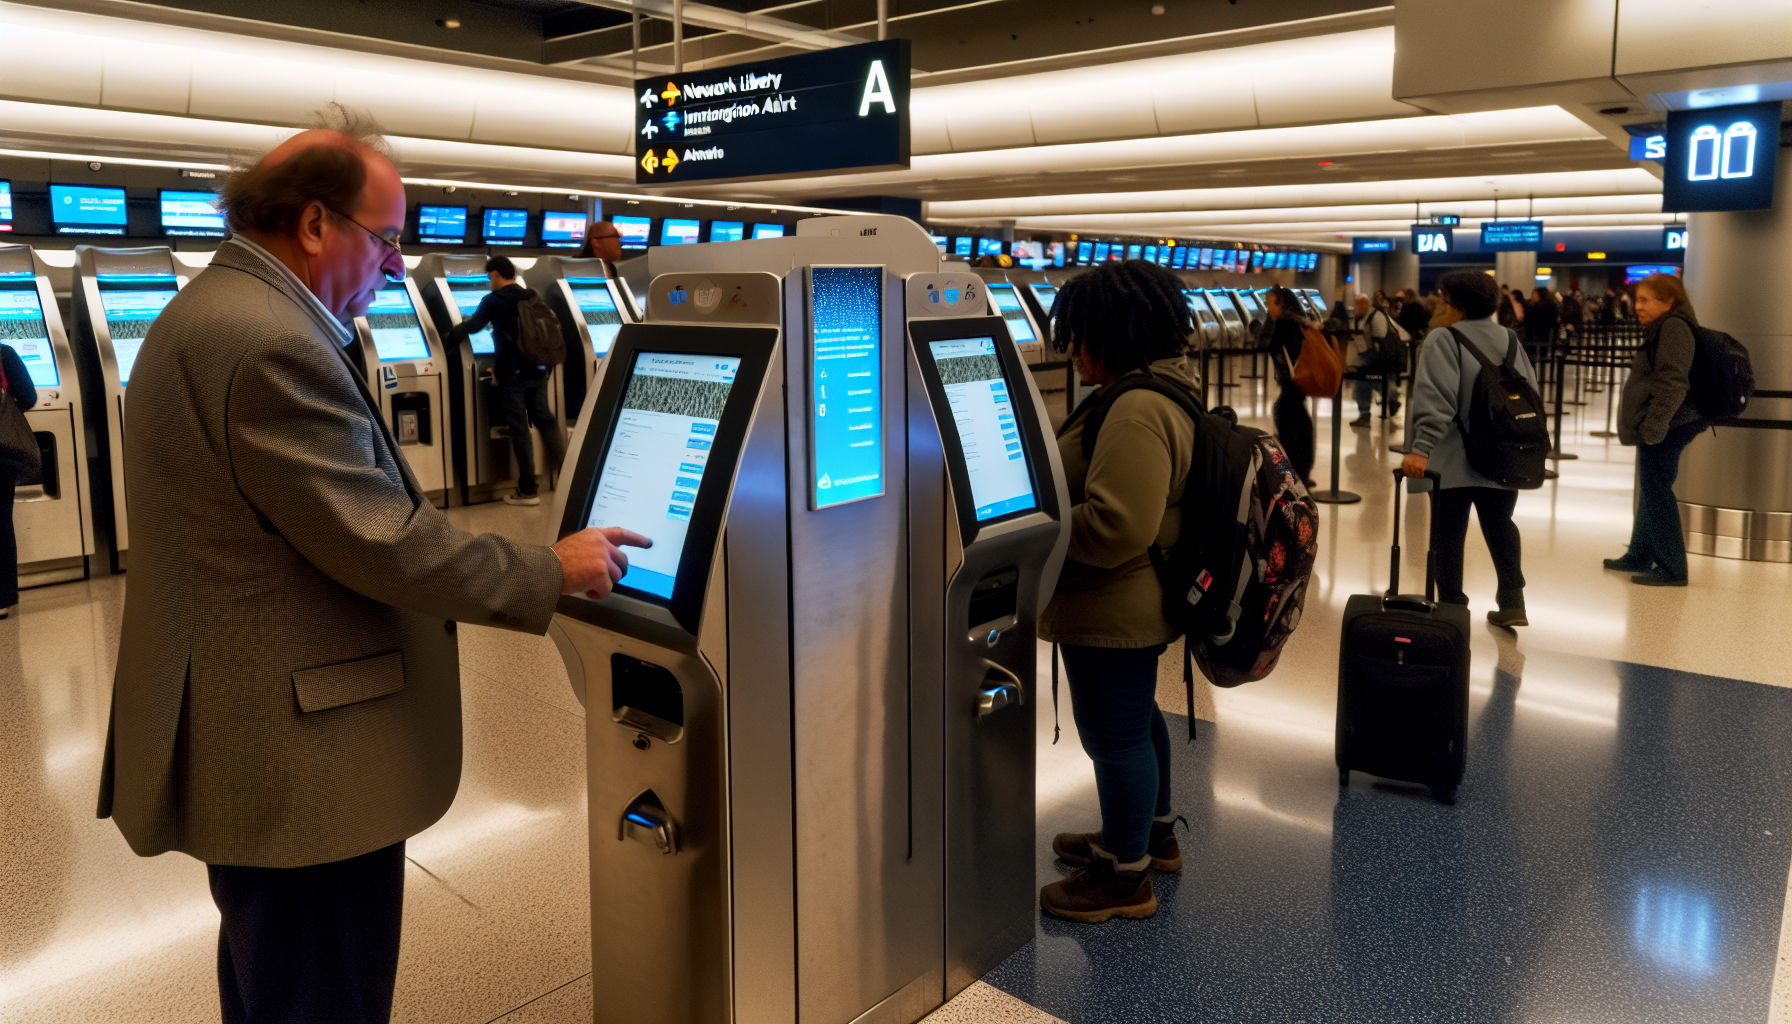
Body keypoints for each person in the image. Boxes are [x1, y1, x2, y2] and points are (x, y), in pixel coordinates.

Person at [96, 105, 645, 1024]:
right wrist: (549, 570)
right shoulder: (268, 340)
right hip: (300, 753)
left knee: (275, 980)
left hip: (250, 728)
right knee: (322, 990)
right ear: (315, 223)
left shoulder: (219, 309)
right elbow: (381, 539)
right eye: (385, 238)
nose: (397, 264)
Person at [1035, 259, 1199, 924]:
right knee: (1137, 721)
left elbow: (1117, 524)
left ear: (1112, 332)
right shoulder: (1150, 389)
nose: (1071, 350)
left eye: (1079, 335)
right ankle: (1151, 834)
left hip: (1114, 601)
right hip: (1131, 600)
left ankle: (1124, 876)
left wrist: (1035, 545)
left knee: (1115, 735)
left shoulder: (1135, 409)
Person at [1401, 270, 1539, 628]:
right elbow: (1530, 393)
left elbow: (1436, 400)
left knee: (1448, 533)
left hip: (1452, 460)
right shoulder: (1509, 338)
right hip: (1502, 454)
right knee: (1500, 524)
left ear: (1455, 305)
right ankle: (1512, 600)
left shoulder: (1443, 339)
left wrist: (1420, 448)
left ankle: (1452, 609)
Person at [446, 256, 564, 506]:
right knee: (546, 420)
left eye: (490, 277)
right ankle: (568, 477)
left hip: (512, 375)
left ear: (498, 273)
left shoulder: (493, 301)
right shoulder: (529, 296)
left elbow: (474, 326)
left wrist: (449, 337)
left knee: (520, 429)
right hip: (538, 369)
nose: (490, 282)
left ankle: (528, 490)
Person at [1610, 273, 1702, 587]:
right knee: (1651, 489)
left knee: (1658, 491)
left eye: (1646, 300)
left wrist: (1655, 424)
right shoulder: (1663, 326)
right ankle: (1639, 553)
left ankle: (1672, 567)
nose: (1638, 306)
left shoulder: (1674, 327)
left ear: (1669, 301)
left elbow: (1673, 382)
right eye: (1637, 299)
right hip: (1664, 422)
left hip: (1670, 423)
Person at [1265, 286, 1316, 486]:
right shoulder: (1297, 319)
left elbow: (1274, 347)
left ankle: (1296, 471)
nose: (1268, 308)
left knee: (1284, 415)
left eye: (1270, 303)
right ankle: (1303, 467)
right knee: (1299, 418)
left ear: (1281, 303)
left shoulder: (1284, 322)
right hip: (1300, 381)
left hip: (1293, 381)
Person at [0, 340, 36, 619]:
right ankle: (2, 599)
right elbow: (28, 396)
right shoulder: (3, 353)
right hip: (2, 452)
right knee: (1, 523)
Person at [1350, 292, 1401, 427]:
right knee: (1365, 385)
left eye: (1360, 304)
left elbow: (1381, 337)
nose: (1357, 307)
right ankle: (1367, 412)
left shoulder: (1376, 316)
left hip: (1375, 355)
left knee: (1370, 384)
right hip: (1363, 354)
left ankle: (1390, 399)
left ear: (1366, 303)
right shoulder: (1358, 318)